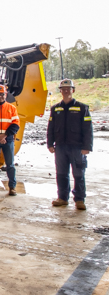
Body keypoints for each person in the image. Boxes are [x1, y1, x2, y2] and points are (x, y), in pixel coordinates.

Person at [47, 79, 93, 210]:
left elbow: (88, 129)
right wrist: (50, 144)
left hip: (77, 147)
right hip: (60, 147)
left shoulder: (82, 108)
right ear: (60, 91)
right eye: (63, 89)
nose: (66, 91)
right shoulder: (55, 109)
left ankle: (79, 199)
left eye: (68, 89)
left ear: (73, 90)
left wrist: (87, 147)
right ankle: (62, 198)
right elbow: (50, 127)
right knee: (61, 173)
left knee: (78, 174)